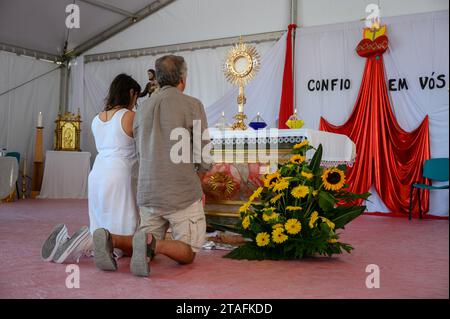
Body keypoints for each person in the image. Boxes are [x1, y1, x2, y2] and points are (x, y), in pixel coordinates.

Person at [93, 55, 212, 277]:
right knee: (189, 251)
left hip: (147, 192)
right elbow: (203, 152)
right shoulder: (193, 105)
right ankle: (153, 244)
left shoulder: (142, 109)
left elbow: (139, 150)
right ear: (183, 79)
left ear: (156, 79)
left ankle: (114, 239)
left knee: (145, 238)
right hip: (181, 193)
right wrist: (200, 179)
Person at [41, 74, 141, 266]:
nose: (135, 103)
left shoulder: (97, 119)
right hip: (119, 174)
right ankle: (78, 244)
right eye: (136, 98)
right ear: (130, 93)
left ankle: (73, 243)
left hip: (97, 173)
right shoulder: (130, 116)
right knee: (124, 233)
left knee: (101, 221)